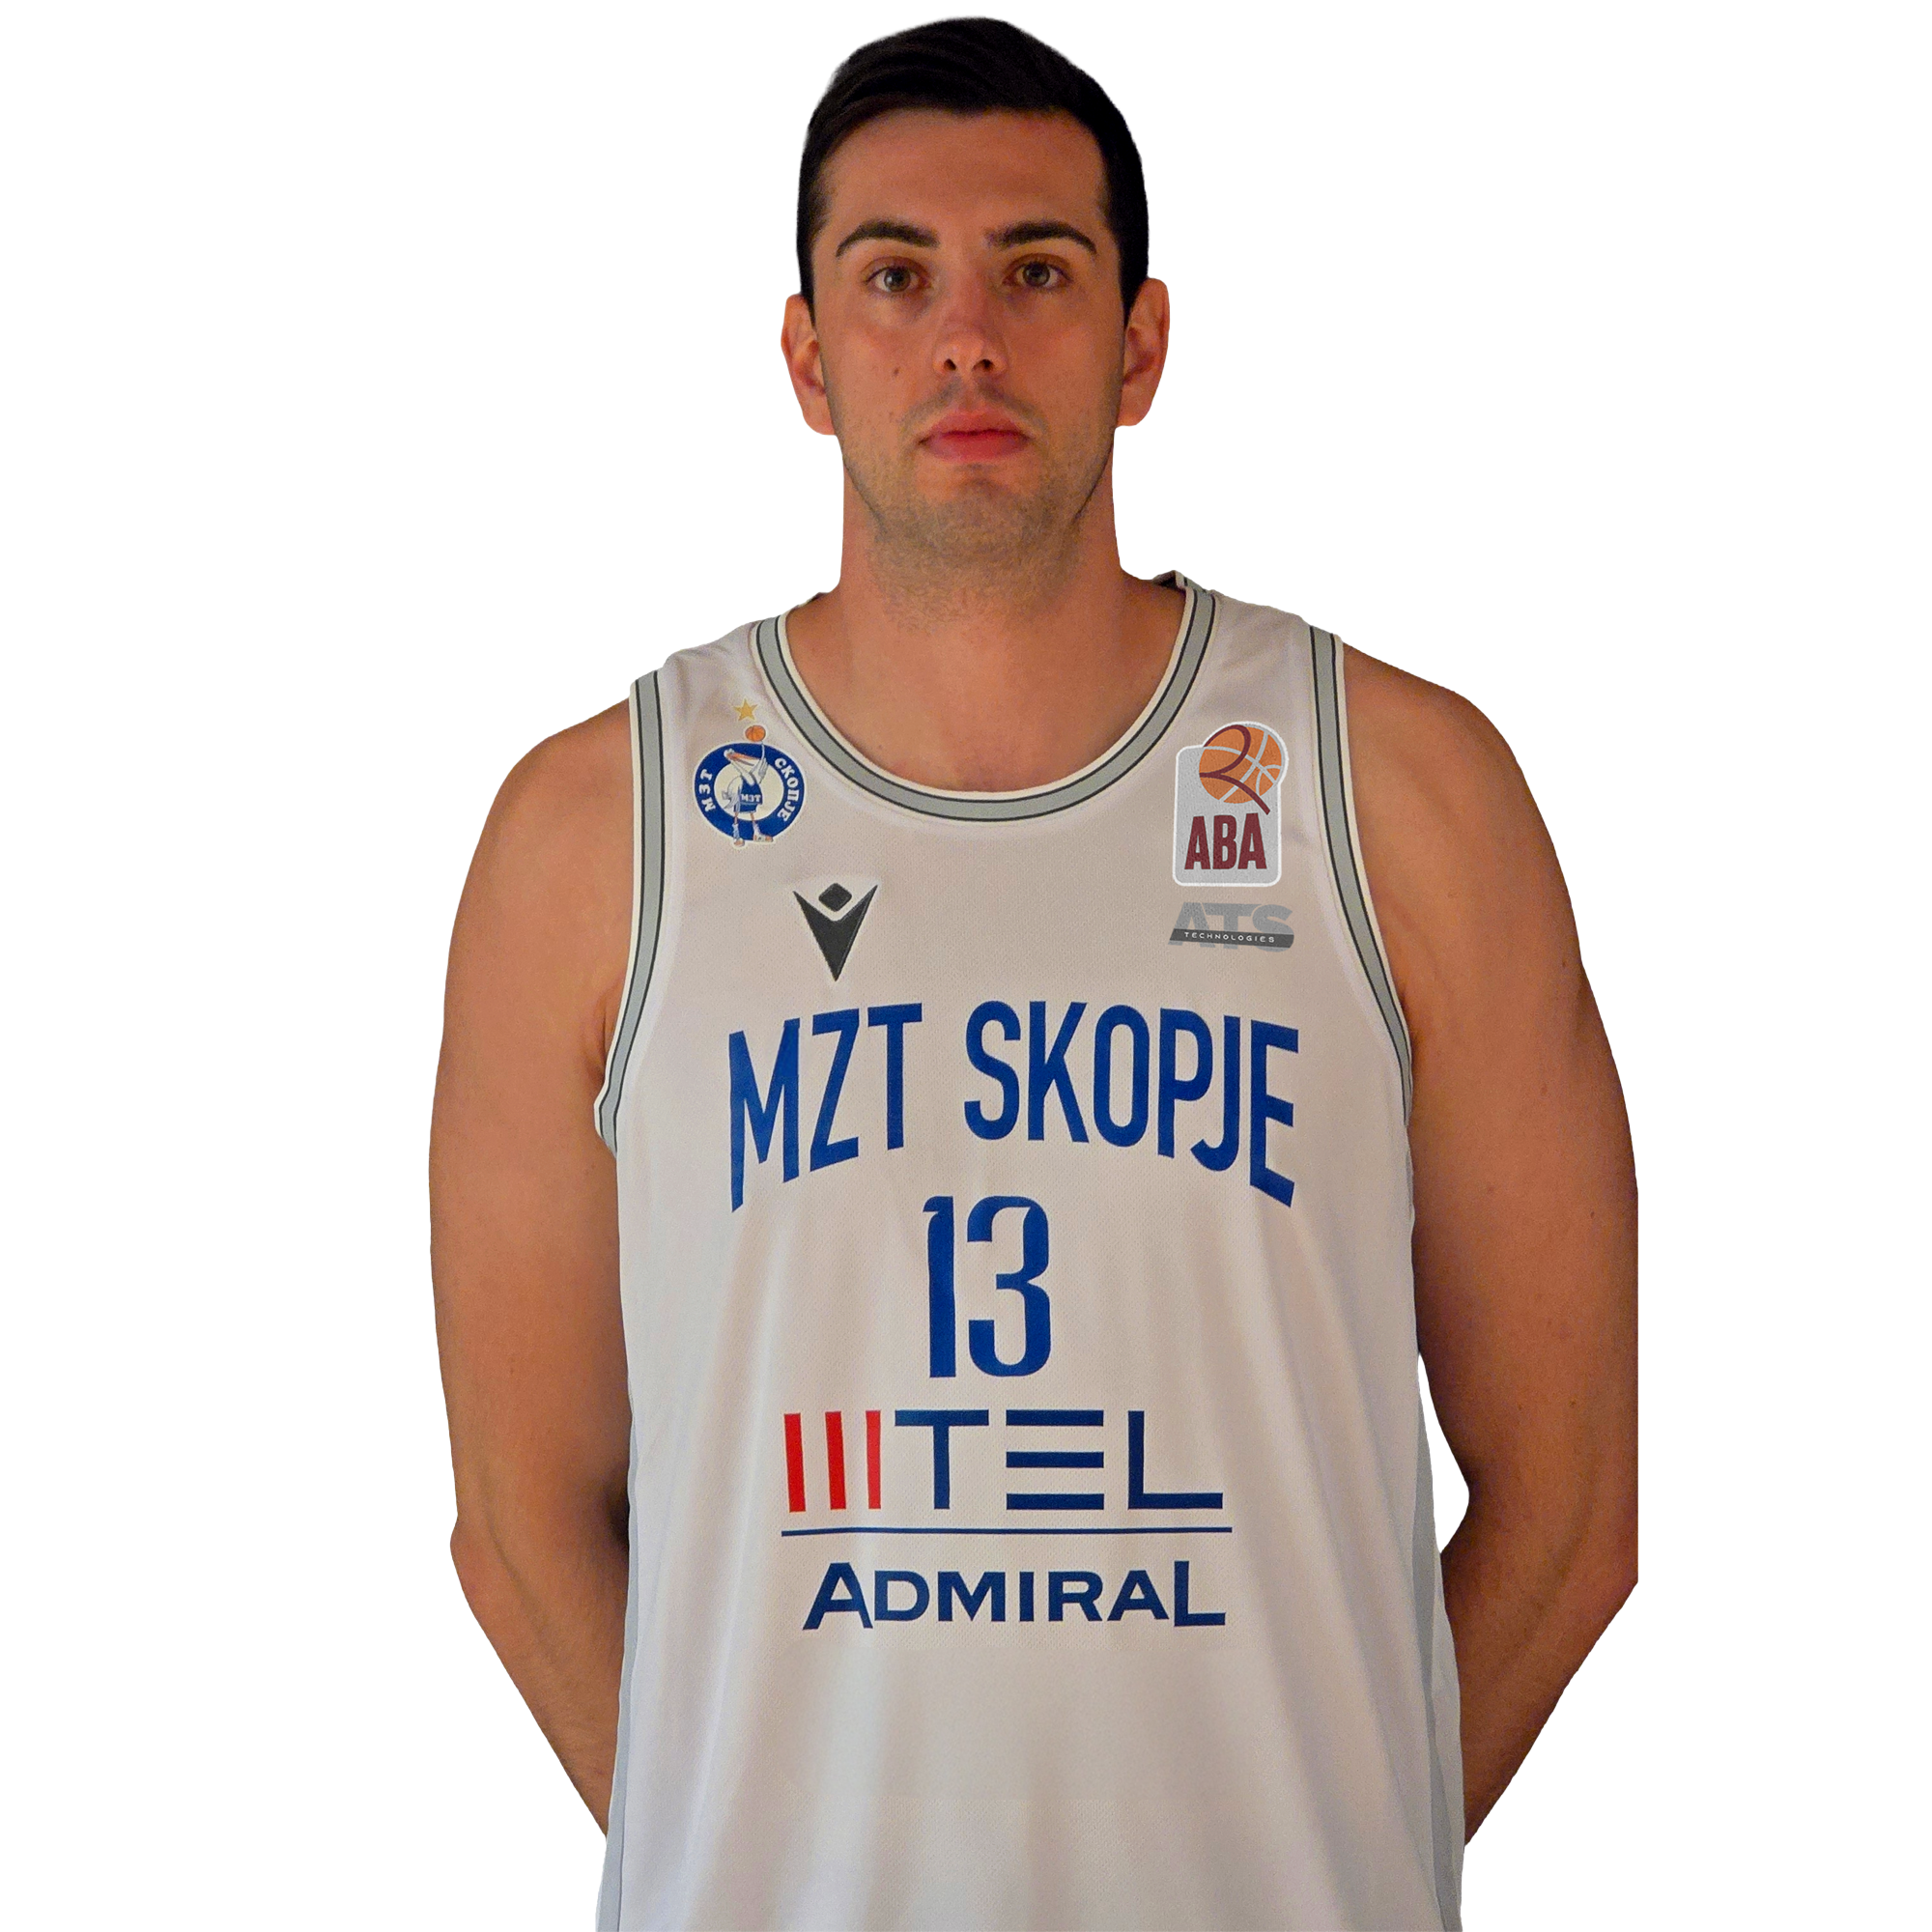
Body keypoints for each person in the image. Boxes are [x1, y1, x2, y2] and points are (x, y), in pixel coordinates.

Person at [429, 16, 1637, 1929]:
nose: (967, 338)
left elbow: (1572, 1514)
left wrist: (1318, 1865)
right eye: (895, 277)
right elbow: (519, 1534)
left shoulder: (1398, 795)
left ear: (1141, 343)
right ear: (807, 357)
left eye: (1038, 272)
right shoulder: (598, 834)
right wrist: (749, 1865)